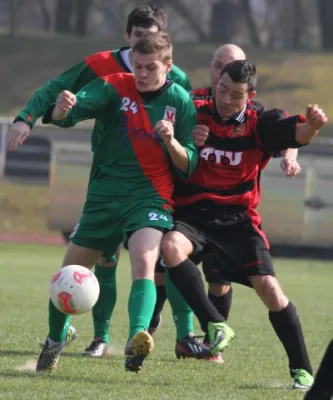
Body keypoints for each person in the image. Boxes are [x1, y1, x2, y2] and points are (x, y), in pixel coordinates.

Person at [7, 5, 192, 359]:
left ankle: (138, 339)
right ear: (129, 40)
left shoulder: (179, 94)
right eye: (137, 57)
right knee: (74, 271)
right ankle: (58, 341)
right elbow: (67, 105)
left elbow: (190, 156)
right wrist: (48, 112)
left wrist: (176, 141)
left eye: (150, 65)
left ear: (167, 64)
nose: (141, 72)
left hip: (150, 195)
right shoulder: (109, 78)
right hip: (106, 187)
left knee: (144, 258)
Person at [161, 60, 327, 389]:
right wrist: (184, 134)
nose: (225, 99)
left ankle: (302, 371)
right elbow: (159, 122)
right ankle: (213, 325)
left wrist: (313, 127)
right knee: (169, 247)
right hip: (194, 215)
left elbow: (296, 133)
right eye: (221, 90)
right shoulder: (195, 110)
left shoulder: (260, 123)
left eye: (235, 95)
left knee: (271, 292)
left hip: (239, 223)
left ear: (250, 96)